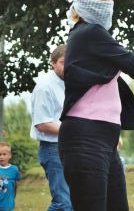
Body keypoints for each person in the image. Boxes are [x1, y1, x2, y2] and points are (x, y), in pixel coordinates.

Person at [58, 0, 134, 211]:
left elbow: (133, 61)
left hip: (103, 137)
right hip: (85, 137)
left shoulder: (91, 37)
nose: (109, 9)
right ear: (91, 6)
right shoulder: (89, 32)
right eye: (105, 4)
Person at [30, 44, 73, 211]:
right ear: (53, 63)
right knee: (63, 203)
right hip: (53, 149)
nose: (67, 65)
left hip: (71, 147)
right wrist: (76, 129)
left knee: (75, 202)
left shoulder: (72, 82)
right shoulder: (44, 86)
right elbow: (42, 124)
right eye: (63, 62)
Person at [0, 142, 21, 211]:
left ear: (10, 155)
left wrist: (13, 197)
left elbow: (15, 185)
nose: (1, 157)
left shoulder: (14, 169)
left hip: (8, 204)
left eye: (4, 154)